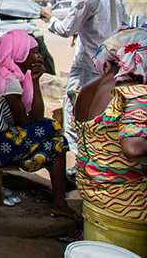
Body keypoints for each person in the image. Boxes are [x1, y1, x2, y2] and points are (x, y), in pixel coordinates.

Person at [0, 30, 77, 220]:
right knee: (52, 129)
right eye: (33, 52)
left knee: (56, 144)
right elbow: (26, 122)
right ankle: (62, 191)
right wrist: (47, 128)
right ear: (19, 54)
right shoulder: (9, 81)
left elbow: (35, 115)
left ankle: (60, 201)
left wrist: (35, 81)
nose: (39, 56)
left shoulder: (17, 77)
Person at [40, 0, 128, 157]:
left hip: (87, 64)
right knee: (105, 107)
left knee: (73, 107)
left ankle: (78, 156)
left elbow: (65, 29)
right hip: (112, 64)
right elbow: (124, 27)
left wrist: (49, 18)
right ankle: (106, 152)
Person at [71, 28, 147, 256]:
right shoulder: (135, 92)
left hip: (94, 198)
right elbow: (134, 147)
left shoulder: (87, 89)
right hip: (128, 206)